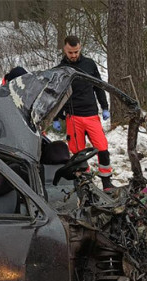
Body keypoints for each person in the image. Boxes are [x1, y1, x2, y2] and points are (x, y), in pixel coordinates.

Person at [53, 35, 112, 190]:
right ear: (65, 50)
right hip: (73, 117)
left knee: (103, 148)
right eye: (70, 52)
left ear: (80, 48)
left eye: (76, 51)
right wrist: (57, 117)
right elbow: (57, 96)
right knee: (78, 153)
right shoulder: (60, 70)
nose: (74, 55)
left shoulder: (89, 64)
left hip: (91, 114)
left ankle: (106, 182)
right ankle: (85, 183)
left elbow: (98, 86)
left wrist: (105, 107)